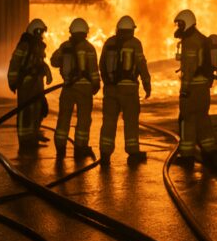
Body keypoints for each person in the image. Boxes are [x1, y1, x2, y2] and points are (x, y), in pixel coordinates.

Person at [98, 15, 152, 166]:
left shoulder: (109, 42)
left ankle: (105, 154)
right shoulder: (135, 44)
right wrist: (147, 85)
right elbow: (142, 65)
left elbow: (101, 64)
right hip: (129, 90)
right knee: (130, 121)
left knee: (108, 122)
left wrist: (107, 82)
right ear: (131, 30)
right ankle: (133, 152)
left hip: (110, 90)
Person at [50, 17, 100, 161]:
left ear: (71, 31)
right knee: (83, 119)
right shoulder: (89, 48)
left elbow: (54, 61)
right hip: (84, 88)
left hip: (67, 88)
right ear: (85, 32)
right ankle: (80, 148)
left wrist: (63, 61)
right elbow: (93, 70)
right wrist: (96, 84)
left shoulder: (64, 46)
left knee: (63, 118)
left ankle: (60, 149)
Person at [173, 9, 216, 164]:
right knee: (203, 119)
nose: (178, 26)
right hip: (203, 87)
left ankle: (187, 156)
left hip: (192, 88)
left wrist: (184, 89)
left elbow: (190, 68)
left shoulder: (190, 42)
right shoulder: (200, 38)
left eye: (180, 23)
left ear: (187, 23)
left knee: (187, 120)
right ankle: (209, 151)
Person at [6, 18, 52, 153]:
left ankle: (33, 136)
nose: (42, 35)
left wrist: (47, 72)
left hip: (36, 83)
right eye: (41, 32)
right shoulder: (25, 45)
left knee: (38, 110)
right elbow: (14, 63)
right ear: (35, 31)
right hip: (26, 84)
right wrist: (13, 81)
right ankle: (25, 141)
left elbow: (39, 63)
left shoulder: (37, 45)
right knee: (25, 112)